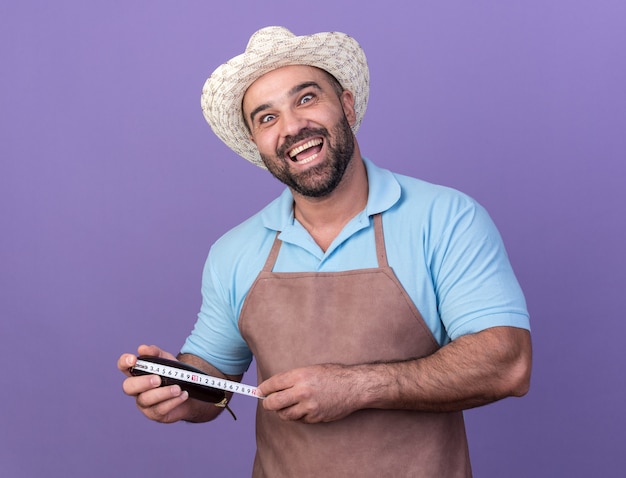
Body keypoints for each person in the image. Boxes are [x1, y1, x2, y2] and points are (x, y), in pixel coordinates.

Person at [117, 26, 532, 477]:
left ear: (347, 107)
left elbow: (507, 363)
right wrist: (178, 389)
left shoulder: (446, 218)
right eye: (267, 117)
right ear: (258, 144)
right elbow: (213, 382)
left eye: (306, 98)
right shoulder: (233, 252)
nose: (293, 126)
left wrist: (358, 386)